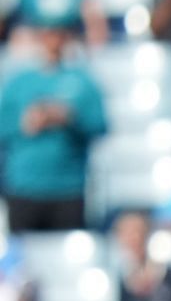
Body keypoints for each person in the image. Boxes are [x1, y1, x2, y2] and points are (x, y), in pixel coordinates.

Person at [0, 25, 107, 233]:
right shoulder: (19, 82)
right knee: (25, 260)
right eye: (47, 34)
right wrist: (26, 123)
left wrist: (69, 118)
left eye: (59, 34)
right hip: (24, 187)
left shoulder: (82, 81)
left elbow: (100, 125)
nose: (53, 41)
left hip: (69, 187)